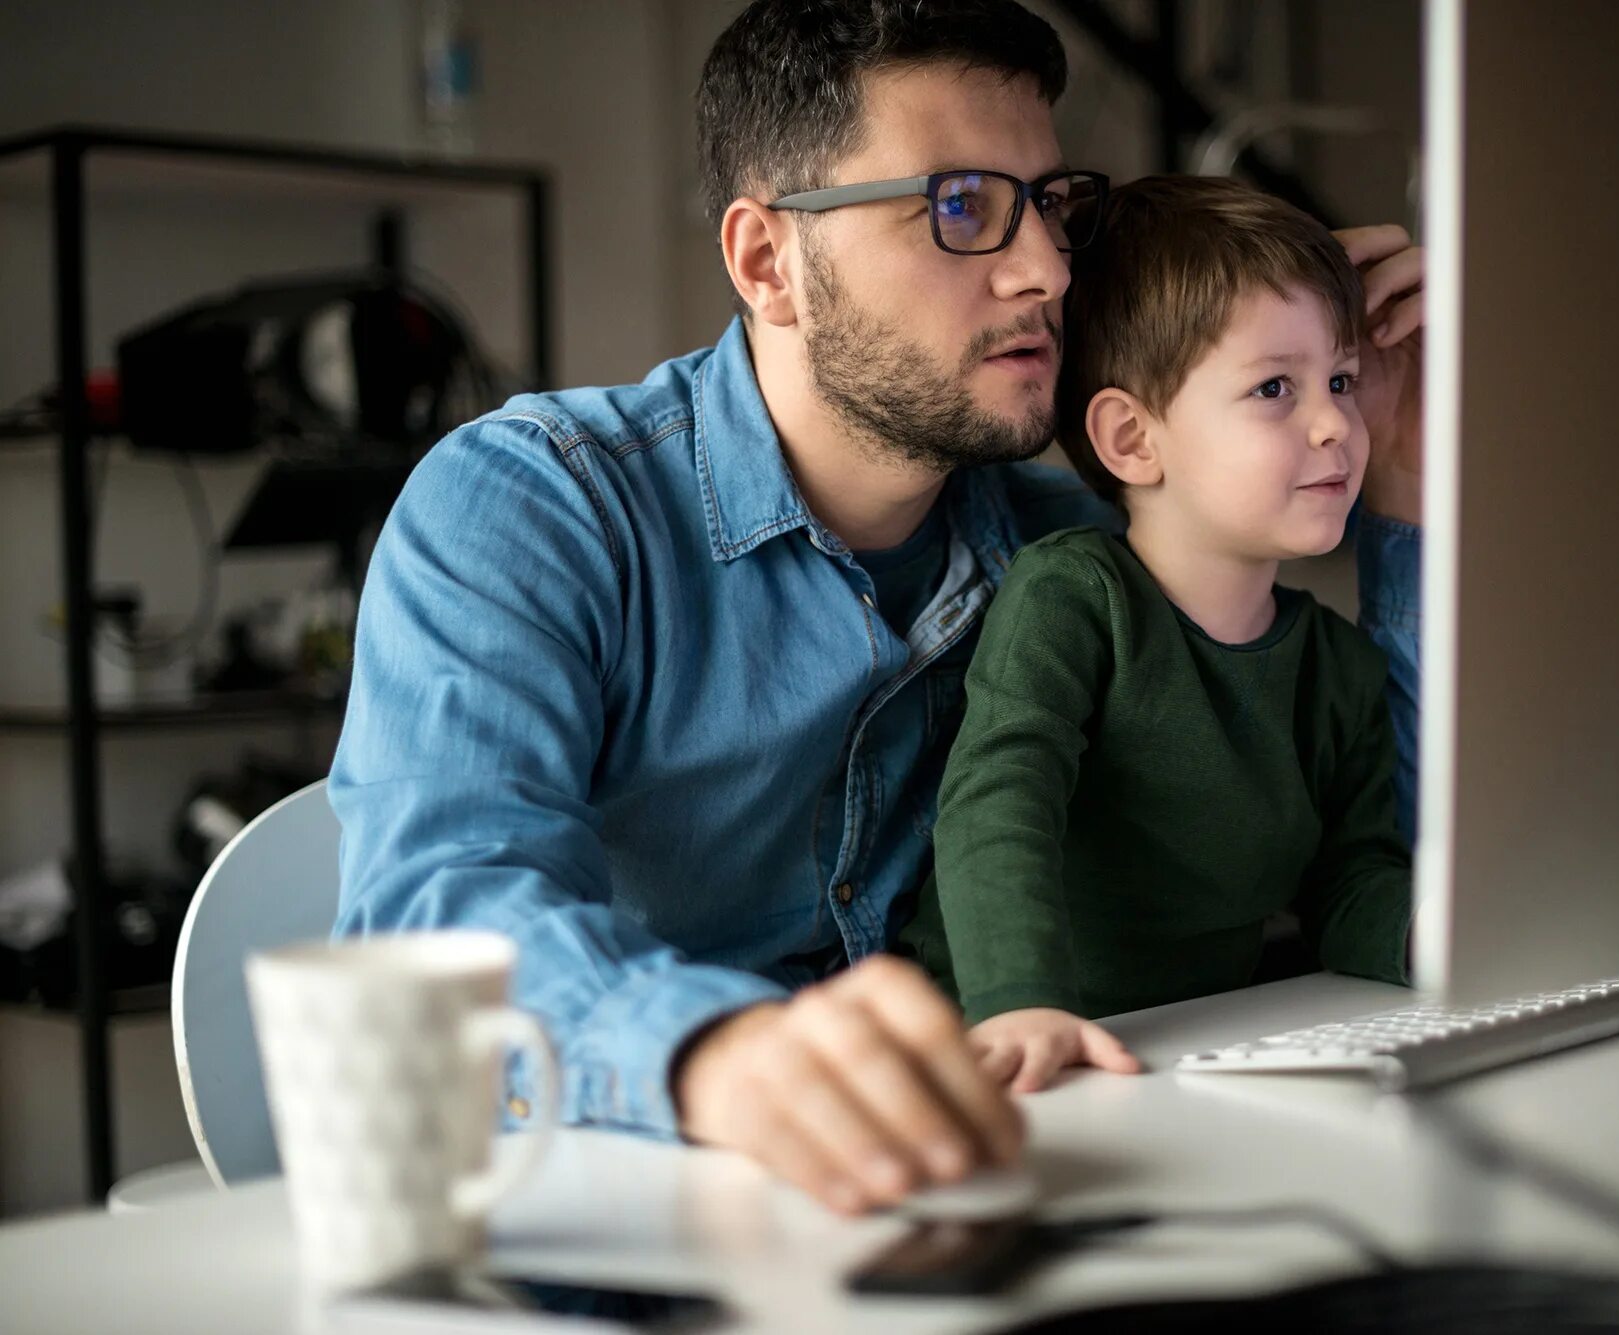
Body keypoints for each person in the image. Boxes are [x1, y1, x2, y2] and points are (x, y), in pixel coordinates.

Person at [329, 0, 1427, 1218]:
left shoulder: (1082, 553)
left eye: (1050, 206)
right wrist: (719, 1056)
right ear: (766, 262)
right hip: (629, 1211)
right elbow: (440, 918)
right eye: (960, 206)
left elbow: (1411, 861)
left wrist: (1410, 486)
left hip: (975, 1198)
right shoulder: (540, 507)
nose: (1048, 271)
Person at [903, 177, 1412, 1094]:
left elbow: (1350, 883)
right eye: (1274, 388)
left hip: (1182, 1060)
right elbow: (998, 800)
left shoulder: (1335, 666)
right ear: (1132, 439)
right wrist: (1020, 1002)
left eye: (1340, 379)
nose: (1337, 422)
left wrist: (1443, 938)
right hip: (999, 1059)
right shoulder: (1073, 597)